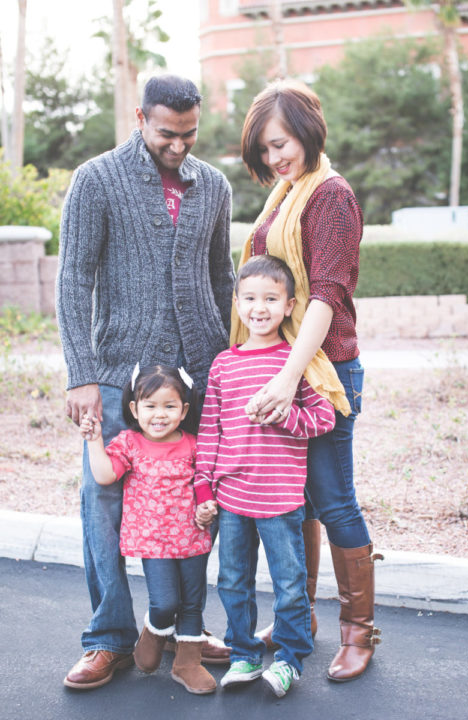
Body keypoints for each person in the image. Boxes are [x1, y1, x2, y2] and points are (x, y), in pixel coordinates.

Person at [56, 74, 234, 690]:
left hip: (199, 374)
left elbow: (223, 279)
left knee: (199, 501)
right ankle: (109, 638)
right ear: (140, 117)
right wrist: (81, 373)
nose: (180, 145)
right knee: (102, 504)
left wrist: (229, 365)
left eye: (190, 133)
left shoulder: (213, 184)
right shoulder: (96, 179)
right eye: (167, 133)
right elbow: (73, 281)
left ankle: (185, 626)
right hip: (115, 374)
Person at [235, 79, 384, 683]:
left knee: (331, 497)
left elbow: (325, 296)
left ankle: (360, 631)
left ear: (308, 130)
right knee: (297, 503)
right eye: (265, 151)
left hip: (321, 372)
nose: (274, 158)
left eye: (281, 143)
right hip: (284, 367)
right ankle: (305, 618)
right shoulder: (285, 193)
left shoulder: (330, 195)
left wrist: (287, 377)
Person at [194, 255, 336, 698]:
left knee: (289, 584)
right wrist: (204, 488)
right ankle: (244, 653)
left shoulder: (297, 362)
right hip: (231, 497)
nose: (260, 307)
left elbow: (324, 418)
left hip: (280, 499)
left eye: (271, 299)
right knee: (233, 580)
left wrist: (284, 414)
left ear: (290, 305)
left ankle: (290, 660)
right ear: (237, 304)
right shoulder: (222, 365)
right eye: (251, 298)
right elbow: (209, 432)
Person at [73, 365, 217, 695]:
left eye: (169, 406)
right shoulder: (131, 443)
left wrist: (206, 505)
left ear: (184, 410)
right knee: (165, 602)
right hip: (155, 543)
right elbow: (106, 475)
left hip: (192, 537)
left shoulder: (194, 444)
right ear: (135, 409)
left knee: (193, 603)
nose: (159, 415)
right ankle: (154, 632)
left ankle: (187, 664)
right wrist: (95, 441)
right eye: (150, 406)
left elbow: (205, 481)